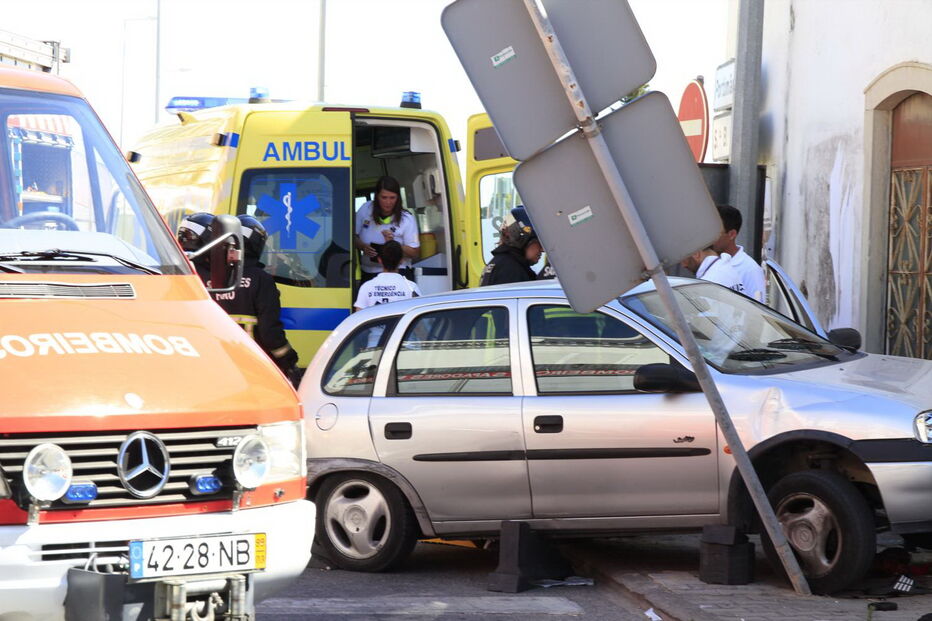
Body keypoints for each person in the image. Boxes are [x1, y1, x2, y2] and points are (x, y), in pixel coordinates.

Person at [178, 213, 299, 382]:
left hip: (202, 363)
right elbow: (269, 333)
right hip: (249, 365)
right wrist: (288, 360)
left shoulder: (186, 278)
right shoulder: (260, 279)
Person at [354, 176, 420, 284]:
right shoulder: (366, 208)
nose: (388, 202)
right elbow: (352, 236)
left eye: (392, 197)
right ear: (377, 196)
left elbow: (415, 252)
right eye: (384, 197)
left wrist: (393, 245)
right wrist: (363, 247)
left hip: (398, 273)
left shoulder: (407, 218)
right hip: (369, 273)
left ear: (398, 198)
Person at [713, 205, 767, 302]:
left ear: (732, 234)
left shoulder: (750, 270)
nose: (710, 237)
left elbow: (757, 309)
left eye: (715, 232)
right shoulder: (708, 263)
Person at [479, 206, 543, 286]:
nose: (542, 249)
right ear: (521, 238)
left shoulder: (501, 263)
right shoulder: (512, 271)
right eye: (539, 242)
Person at [354, 240, 421, 311]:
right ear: (401, 260)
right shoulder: (411, 287)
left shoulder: (366, 287)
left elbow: (358, 315)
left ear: (379, 260)